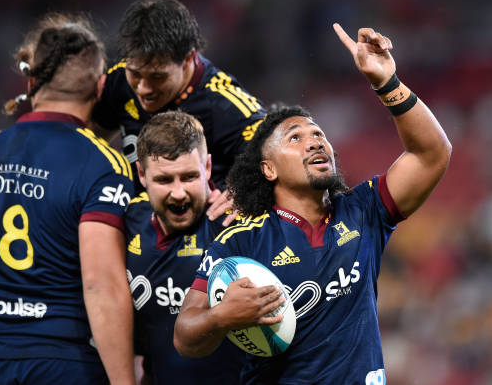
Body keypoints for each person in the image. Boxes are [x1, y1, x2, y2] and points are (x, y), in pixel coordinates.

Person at [173, 24, 452, 384]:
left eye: (319, 134)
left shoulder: (363, 211)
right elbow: (185, 337)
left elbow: (433, 153)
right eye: (295, 137)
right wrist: (221, 316)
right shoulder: (241, 240)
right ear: (268, 168)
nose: (315, 142)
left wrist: (387, 82)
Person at [0, 0, 266, 218]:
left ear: (189, 59)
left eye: (158, 77)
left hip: (201, 244)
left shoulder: (226, 105)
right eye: (136, 74)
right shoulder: (118, 81)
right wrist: (0, 143)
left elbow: (281, 154)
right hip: (140, 236)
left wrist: (244, 191)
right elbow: (69, 133)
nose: (144, 89)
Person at [0, 14, 136, 384]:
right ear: (100, 85)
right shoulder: (104, 164)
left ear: (30, 81)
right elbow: (100, 284)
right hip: (59, 362)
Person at [125, 111, 244, 384]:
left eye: (190, 177)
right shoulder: (126, 221)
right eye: (164, 180)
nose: (178, 193)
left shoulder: (236, 222)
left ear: (208, 168)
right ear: (142, 174)